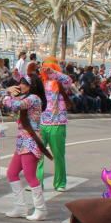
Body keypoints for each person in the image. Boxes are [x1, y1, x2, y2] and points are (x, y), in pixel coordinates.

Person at [2, 73, 53, 221]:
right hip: (22, 141)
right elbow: (10, 104)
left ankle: (41, 209)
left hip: (31, 141)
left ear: (32, 86)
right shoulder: (26, 97)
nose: (21, 85)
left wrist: (8, 94)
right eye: (21, 83)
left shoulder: (33, 98)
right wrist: (7, 93)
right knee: (12, 173)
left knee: (30, 176)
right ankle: (20, 207)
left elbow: (14, 105)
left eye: (24, 83)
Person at [36, 57, 73, 191]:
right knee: (38, 155)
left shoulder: (61, 82)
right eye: (45, 68)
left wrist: (53, 72)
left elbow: (69, 80)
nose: (46, 70)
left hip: (58, 123)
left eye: (49, 68)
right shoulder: (40, 83)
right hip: (42, 123)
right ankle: (37, 182)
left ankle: (60, 183)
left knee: (58, 155)